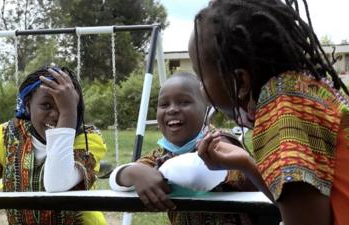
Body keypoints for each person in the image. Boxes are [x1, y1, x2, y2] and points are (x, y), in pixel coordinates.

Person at [189, 0, 349, 225]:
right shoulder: (303, 90)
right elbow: (303, 204)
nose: (199, 88)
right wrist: (246, 164)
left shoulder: (281, 114)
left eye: (200, 76)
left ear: (240, 81)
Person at [0, 66, 108, 225]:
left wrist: (68, 114)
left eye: (65, 105)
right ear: (27, 105)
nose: (56, 115)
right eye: (46, 105)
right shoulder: (9, 135)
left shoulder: (88, 139)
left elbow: (57, 183)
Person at [109, 72, 257, 225]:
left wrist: (157, 174)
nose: (172, 109)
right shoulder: (161, 154)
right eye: (164, 104)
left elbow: (196, 174)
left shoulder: (219, 141)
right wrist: (133, 172)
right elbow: (115, 179)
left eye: (184, 102)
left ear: (205, 109)